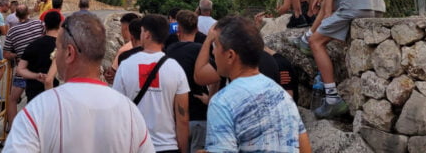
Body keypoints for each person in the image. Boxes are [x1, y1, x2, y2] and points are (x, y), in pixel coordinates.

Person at [3, 13, 154, 152]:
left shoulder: (37, 110)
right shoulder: (131, 113)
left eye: (57, 49)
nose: (55, 56)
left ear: (69, 53)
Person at [204, 16, 310, 153]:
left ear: (230, 55)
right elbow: (304, 147)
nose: (213, 52)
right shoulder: (282, 95)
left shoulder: (222, 103)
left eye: (216, 46)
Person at [114, 13, 190, 153]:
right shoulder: (175, 68)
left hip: (136, 145)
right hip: (168, 146)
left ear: (147, 34)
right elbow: (183, 118)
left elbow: (118, 111)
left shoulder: (125, 66)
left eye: (142, 31)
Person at [164, 10, 209, 153]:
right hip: (199, 114)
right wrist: (211, 98)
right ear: (196, 28)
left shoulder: (169, 51)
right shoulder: (202, 50)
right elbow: (219, 73)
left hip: (176, 117)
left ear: (179, 29)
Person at [3, 4, 45, 129]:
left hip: (22, 72)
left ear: (16, 15)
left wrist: (17, 54)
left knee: (12, 100)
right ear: (28, 13)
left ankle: (13, 129)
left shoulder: (12, 31)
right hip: (40, 69)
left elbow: (6, 54)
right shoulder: (39, 24)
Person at [16, 10, 61, 102]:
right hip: (53, 93)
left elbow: (20, 69)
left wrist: (36, 76)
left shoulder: (32, 45)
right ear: (60, 25)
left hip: (33, 94)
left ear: (45, 25)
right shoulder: (61, 47)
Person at [104, 12, 139, 84]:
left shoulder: (124, 50)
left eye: (121, 27)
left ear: (126, 28)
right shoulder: (146, 47)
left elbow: (111, 75)